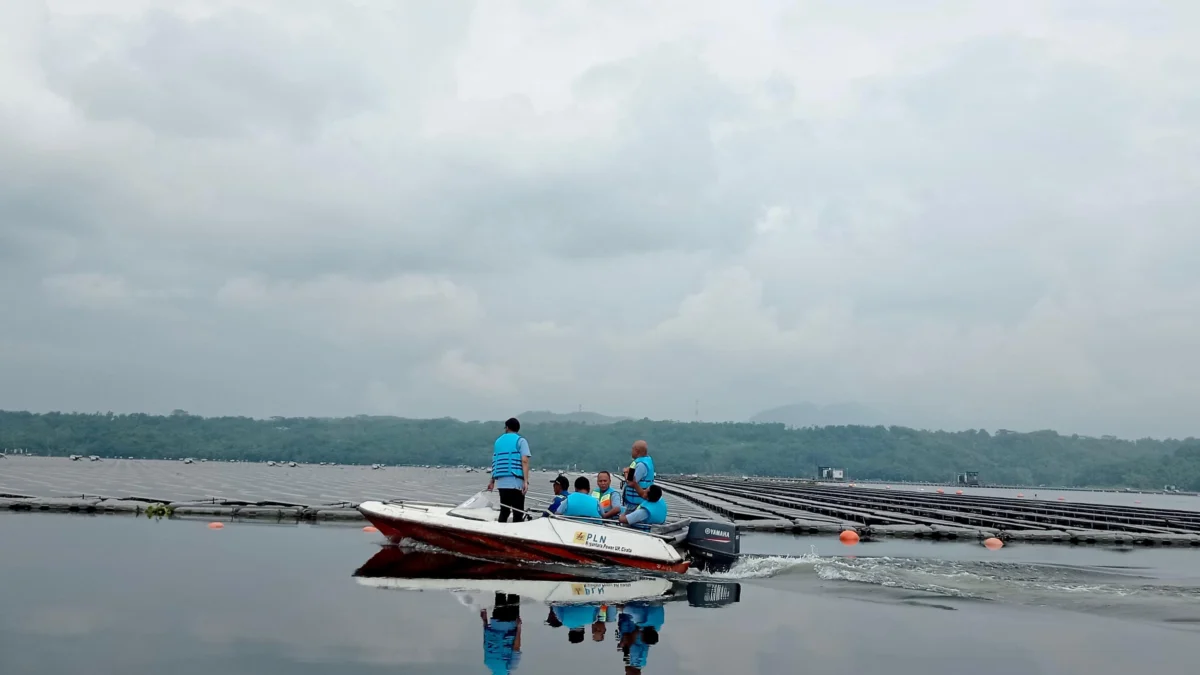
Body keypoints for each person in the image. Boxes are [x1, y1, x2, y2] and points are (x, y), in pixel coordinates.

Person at [487, 417, 531, 522]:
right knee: (518, 512)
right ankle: (516, 535)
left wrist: (492, 481)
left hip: (502, 483)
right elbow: (524, 461)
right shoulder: (521, 441)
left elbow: (496, 461)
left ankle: (500, 533)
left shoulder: (498, 442)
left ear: (507, 428)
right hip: (516, 482)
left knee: (504, 511)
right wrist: (526, 481)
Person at [620, 440, 655, 514]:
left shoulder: (640, 465)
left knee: (627, 521)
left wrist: (625, 472)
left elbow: (631, 482)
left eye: (632, 449)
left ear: (637, 451)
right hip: (634, 502)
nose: (631, 452)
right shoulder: (645, 461)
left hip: (636, 503)